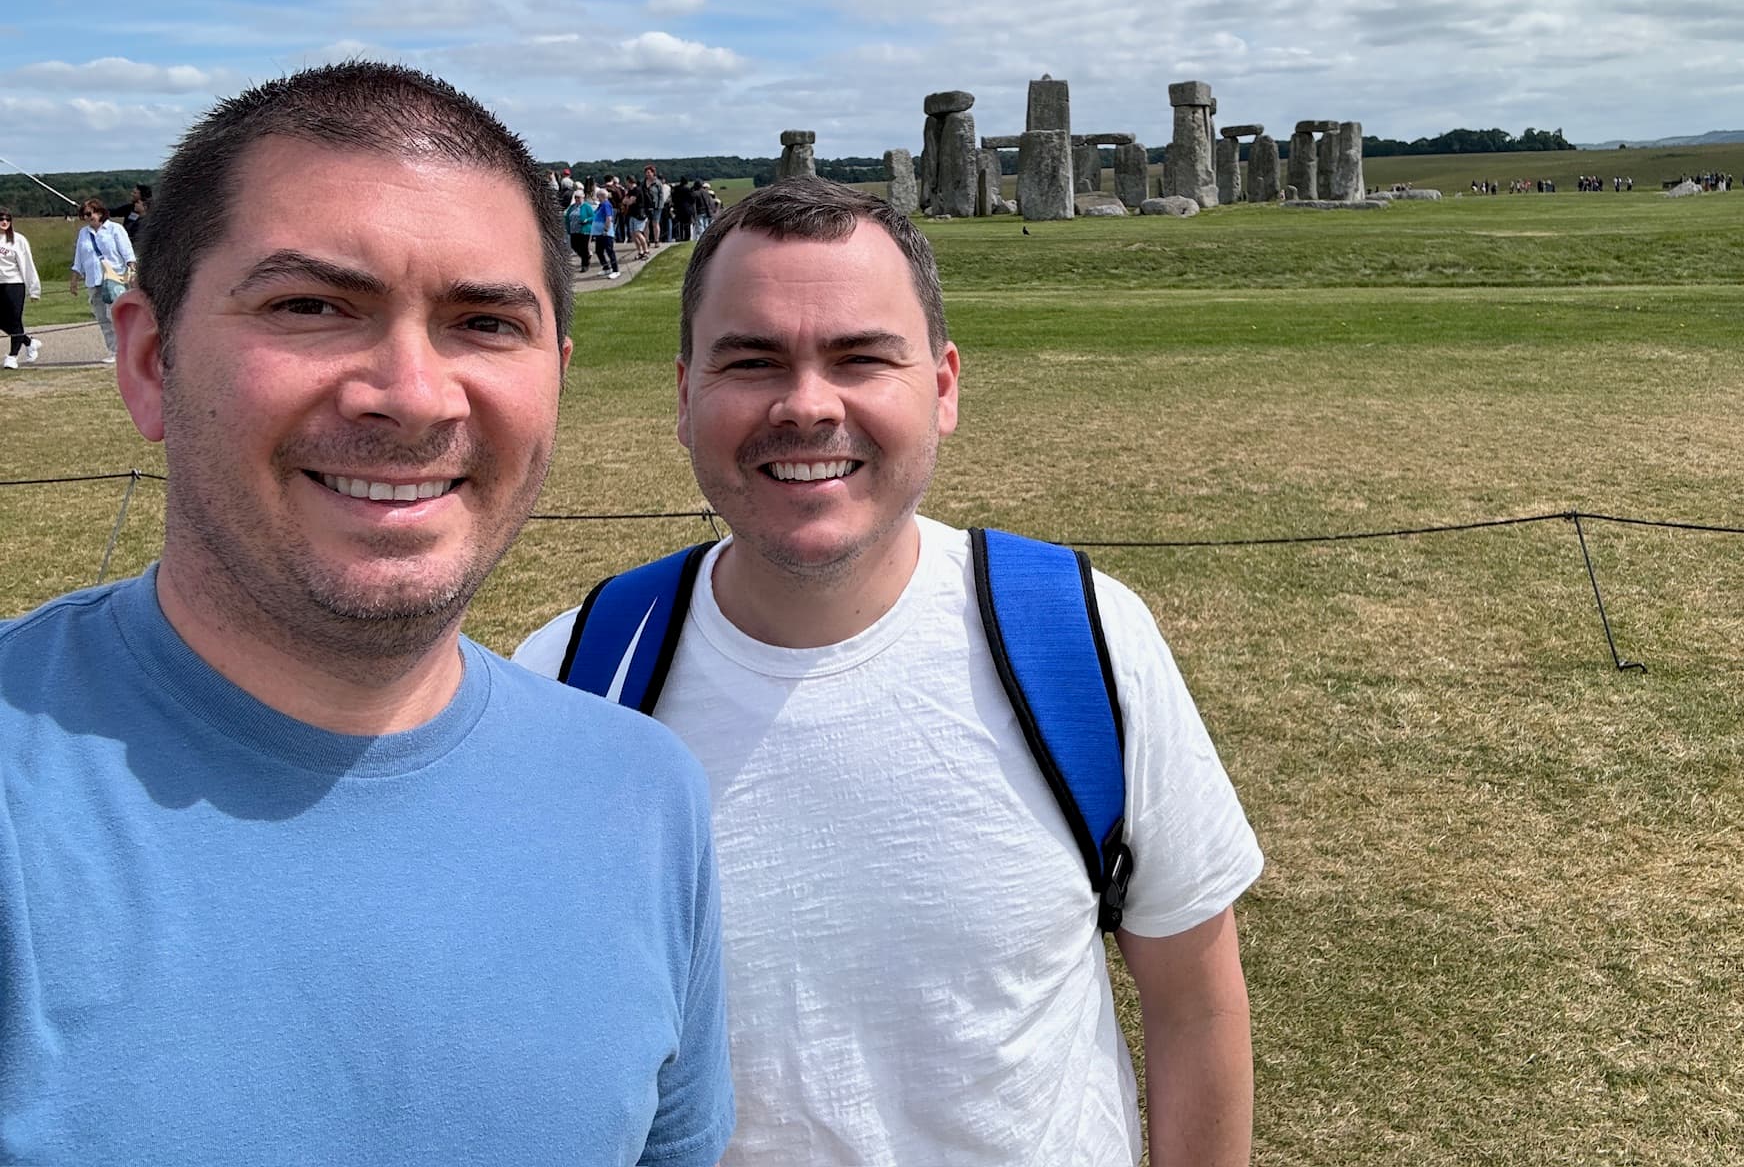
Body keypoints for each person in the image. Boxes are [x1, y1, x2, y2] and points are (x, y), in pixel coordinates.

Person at [1, 61, 733, 1167]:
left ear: (555, 378)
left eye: (484, 322)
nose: (411, 393)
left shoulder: (642, 794)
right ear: (150, 362)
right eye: (310, 307)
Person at [516, 176, 1261, 1167]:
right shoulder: (574, 679)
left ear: (942, 386)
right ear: (685, 394)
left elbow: (1193, 1006)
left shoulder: (1078, 637)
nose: (807, 405)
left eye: (861, 356)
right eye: (752, 360)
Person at [69, 196, 137, 363]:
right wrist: (74, 278)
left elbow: (127, 252)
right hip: (93, 280)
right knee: (102, 317)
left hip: (114, 278)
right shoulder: (83, 233)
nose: (87, 218)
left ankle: (127, 350)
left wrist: (132, 270)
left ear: (99, 213)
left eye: (89, 214)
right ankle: (114, 351)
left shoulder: (115, 229)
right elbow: (79, 257)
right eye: (84, 215)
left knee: (114, 314)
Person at [0, 205, 42, 369]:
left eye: (7, 219)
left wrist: (34, 289)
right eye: (1, 219)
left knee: (15, 319)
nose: (4, 222)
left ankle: (12, 356)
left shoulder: (18, 240)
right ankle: (29, 342)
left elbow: (27, 265)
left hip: (14, 283)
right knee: (2, 320)